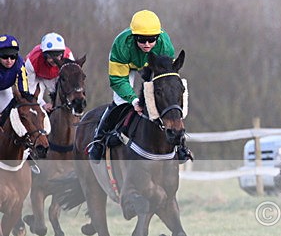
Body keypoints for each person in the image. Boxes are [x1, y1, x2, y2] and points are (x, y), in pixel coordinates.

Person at [88, 9, 191, 162]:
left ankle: (180, 145)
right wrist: (134, 100)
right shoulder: (121, 45)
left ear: (159, 36)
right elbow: (118, 80)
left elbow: (165, 79)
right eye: (142, 40)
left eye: (152, 39)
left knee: (165, 99)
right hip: (126, 66)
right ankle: (98, 139)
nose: (147, 44)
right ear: (133, 36)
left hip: (153, 67)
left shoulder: (165, 46)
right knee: (120, 102)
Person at [25, 32, 77, 111]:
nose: (54, 60)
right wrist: (43, 105)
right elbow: (30, 88)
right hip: (37, 76)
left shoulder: (68, 57)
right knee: (34, 99)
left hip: (56, 75)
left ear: (62, 54)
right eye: (50, 57)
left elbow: (71, 84)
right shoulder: (32, 61)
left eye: (57, 56)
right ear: (44, 55)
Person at [0, 34, 29, 111]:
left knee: (8, 112)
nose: (9, 61)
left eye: (13, 56)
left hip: (5, 89)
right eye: (5, 56)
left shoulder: (19, 64)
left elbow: (23, 85)